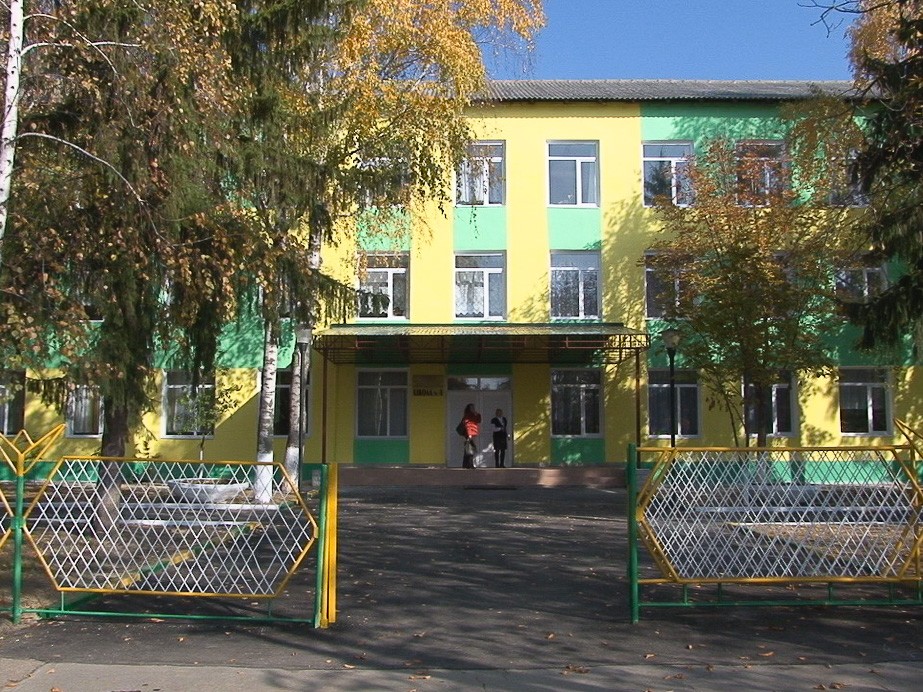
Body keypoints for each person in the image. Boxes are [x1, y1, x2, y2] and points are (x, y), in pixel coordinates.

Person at [460, 403, 481, 469]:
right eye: (472, 408)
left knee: (467, 449)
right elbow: (468, 425)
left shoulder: (473, 415)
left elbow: (478, 420)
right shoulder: (468, 416)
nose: (473, 409)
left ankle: (465, 464)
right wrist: (470, 434)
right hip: (469, 434)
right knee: (470, 449)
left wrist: (477, 414)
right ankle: (470, 464)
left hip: (472, 433)